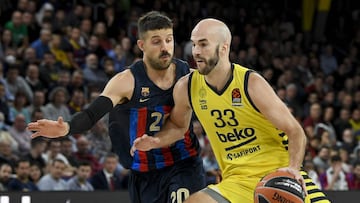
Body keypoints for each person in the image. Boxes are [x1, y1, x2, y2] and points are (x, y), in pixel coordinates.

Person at [132, 18, 330, 203]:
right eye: (193, 44)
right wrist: (156, 141)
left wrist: (293, 170)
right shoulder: (187, 87)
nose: (196, 51)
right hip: (236, 182)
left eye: (203, 44)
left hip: (278, 175)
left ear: (224, 48)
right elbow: (177, 125)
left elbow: (295, 131)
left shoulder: (250, 83)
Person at [27, 11, 205, 203]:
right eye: (156, 41)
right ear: (141, 45)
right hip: (144, 171)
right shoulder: (126, 81)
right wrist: (67, 127)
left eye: (169, 40)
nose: (165, 47)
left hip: (183, 162)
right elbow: (92, 114)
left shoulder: (189, 76)